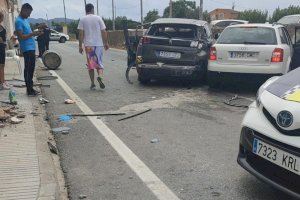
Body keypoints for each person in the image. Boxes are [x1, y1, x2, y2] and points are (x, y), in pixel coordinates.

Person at [78, 3, 109, 90]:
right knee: (99, 63)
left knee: (91, 65)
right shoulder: (98, 18)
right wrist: (106, 43)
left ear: (86, 10)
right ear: (92, 9)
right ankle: (100, 77)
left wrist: (80, 46)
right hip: (98, 44)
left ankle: (92, 84)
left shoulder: (82, 19)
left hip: (88, 45)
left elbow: (81, 33)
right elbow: (103, 31)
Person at [15, 3, 42, 96]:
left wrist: (36, 32)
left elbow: (29, 33)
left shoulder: (25, 20)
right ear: (23, 10)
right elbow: (21, 37)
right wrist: (33, 34)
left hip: (31, 48)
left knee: (31, 69)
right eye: (28, 13)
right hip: (27, 49)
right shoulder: (18, 21)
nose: (29, 15)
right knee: (28, 69)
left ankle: (31, 88)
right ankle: (29, 90)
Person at [0, 12, 10, 90]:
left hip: (2, 48)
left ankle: (3, 80)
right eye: (2, 17)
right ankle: (2, 83)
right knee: (0, 66)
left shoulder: (2, 27)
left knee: (2, 65)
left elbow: (3, 39)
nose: (3, 18)